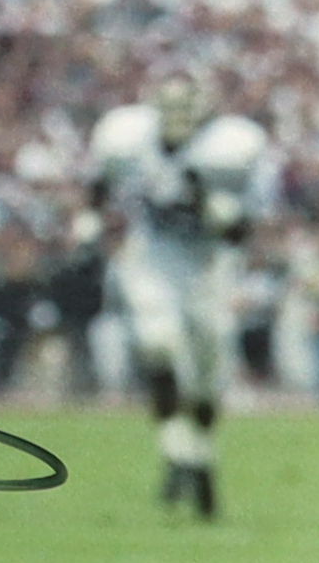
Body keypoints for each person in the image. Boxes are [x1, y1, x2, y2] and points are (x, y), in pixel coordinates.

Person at [88, 72, 274, 517]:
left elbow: (239, 233)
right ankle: (176, 450)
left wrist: (213, 206)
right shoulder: (128, 137)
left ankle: (199, 457)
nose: (176, 122)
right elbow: (99, 185)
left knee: (208, 374)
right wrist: (92, 221)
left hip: (210, 266)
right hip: (154, 255)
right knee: (159, 346)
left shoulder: (233, 147)